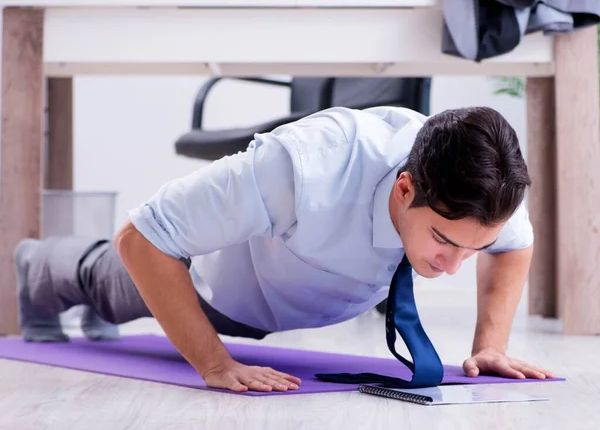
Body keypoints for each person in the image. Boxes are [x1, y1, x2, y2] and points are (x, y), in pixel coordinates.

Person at [15, 105, 554, 393]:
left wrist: (490, 344)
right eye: (442, 241)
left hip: (297, 298)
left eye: (470, 249)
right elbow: (142, 236)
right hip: (216, 288)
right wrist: (214, 363)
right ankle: (35, 266)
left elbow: (514, 245)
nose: (454, 267)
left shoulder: (486, 188)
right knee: (104, 283)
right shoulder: (303, 167)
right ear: (405, 188)